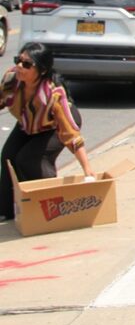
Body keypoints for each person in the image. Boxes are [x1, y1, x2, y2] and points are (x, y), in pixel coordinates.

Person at [1, 42, 95, 220]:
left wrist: (87, 168)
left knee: (29, 159)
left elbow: (70, 133)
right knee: (8, 157)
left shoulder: (53, 94)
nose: (20, 67)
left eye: (27, 64)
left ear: (42, 70)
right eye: (18, 61)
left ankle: (52, 208)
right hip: (28, 122)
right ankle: (7, 210)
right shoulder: (11, 80)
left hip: (55, 125)